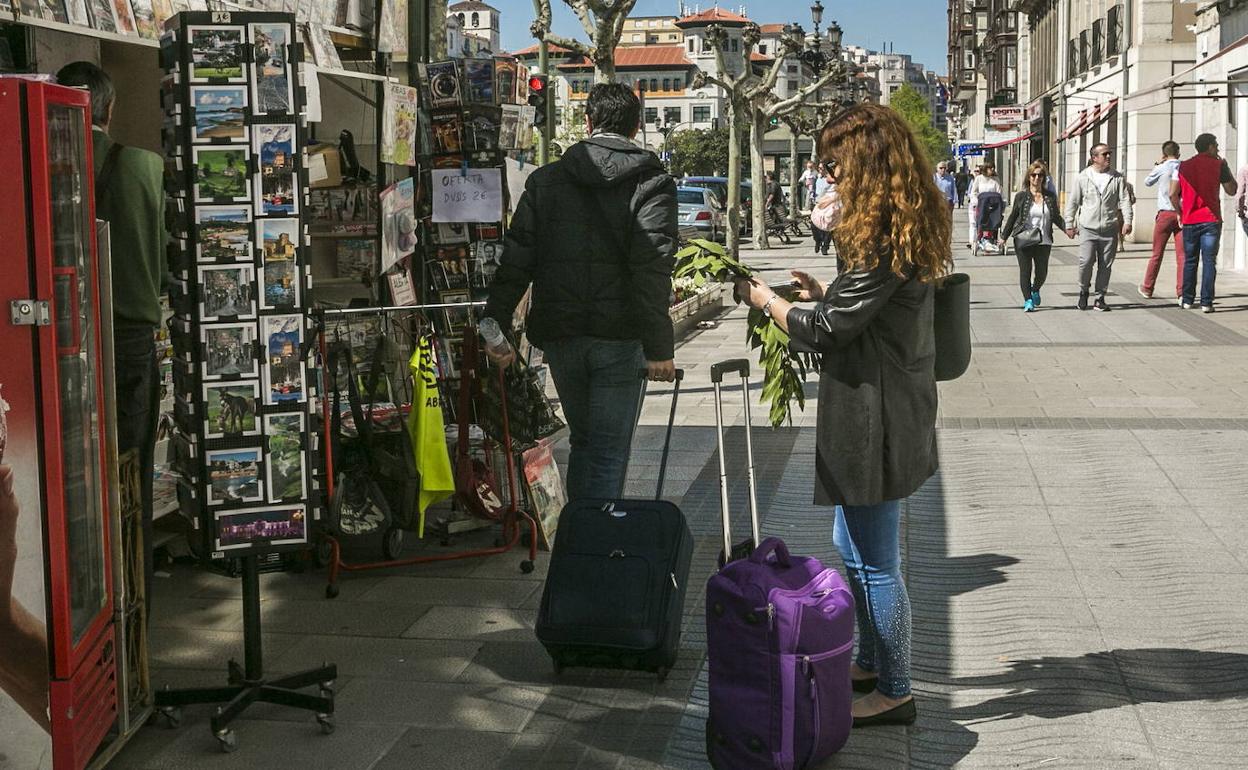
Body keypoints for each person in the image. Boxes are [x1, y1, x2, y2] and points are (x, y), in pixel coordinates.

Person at [734, 103, 951, 728]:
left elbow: (827, 333)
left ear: (864, 161)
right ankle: (870, 660)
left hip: (876, 410)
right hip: (882, 397)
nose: (828, 175)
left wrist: (767, 299)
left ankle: (899, 687)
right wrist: (828, 292)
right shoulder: (897, 222)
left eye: (834, 163)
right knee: (848, 543)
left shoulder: (883, 232)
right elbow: (864, 309)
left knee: (875, 559)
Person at [483, 83, 677, 501]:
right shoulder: (653, 183)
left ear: (587, 123)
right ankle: (597, 552)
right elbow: (652, 267)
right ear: (636, 127)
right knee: (608, 451)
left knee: (585, 443)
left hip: (562, 334)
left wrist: (495, 323)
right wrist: (660, 346)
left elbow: (517, 260)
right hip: (621, 336)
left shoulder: (546, 181)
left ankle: (579, 544)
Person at [56, 62, 167, 608]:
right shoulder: (147, 167)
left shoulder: (53, 167)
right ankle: (134, 593)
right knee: (131, 466)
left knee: (73, 464)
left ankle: (83, 590)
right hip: (132, 337)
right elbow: (163, 249)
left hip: (65, 339)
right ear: (110, 109)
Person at [1171, 133, 1238, 312]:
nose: (1217, 148)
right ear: (1209, 146)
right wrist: (1226, 167)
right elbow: (1232, 190)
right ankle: (1207, 303)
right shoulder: (1218, 165)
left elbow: (1172, 193)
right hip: (1211, 219)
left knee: (1190, 261)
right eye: (1216, 145)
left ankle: (1187, 299)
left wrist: (1180, 212)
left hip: (1190, 220)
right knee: (1209, 261)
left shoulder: (1183, 166)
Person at [1063, 143, 1133, 311]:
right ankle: (1083, 290)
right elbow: (1073, 202)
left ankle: (1100, 297)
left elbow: (1124, 200)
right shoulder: (1083, 177)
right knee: (1085, 262)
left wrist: (1128, 221)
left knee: (1105, 265)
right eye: (1104, 154)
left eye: (1109, 153)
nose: (1108, 156)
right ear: (1094, 158)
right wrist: (1069, 223)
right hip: (1088, 227)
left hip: (1109, 228)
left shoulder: (1117, 177)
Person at [1001, 161, 1064, 312]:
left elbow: (1056, 217)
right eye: (1034, 175)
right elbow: (1013, 217)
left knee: (1042, 272)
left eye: (1040, 175)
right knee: (1025, 270)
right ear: (1029, 177)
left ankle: (1035, 289)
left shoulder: (1049, 196)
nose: (1037, 178)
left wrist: (1067, 229)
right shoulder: (1021, 196)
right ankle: (1028, 300)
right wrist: (1004, 236)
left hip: (1044, 240)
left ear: (1044, 178)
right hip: (1023, 238)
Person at [1140, 141, 1185, 299]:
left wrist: (1158, 165)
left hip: (1165, 213)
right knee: (1182, 256)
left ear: (1164, 153)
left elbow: (1147, 182)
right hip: (1182, 213)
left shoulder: (1161, 167)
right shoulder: (1184, 166)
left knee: (1157, 254)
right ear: (1178, 152)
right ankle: (1182, 292)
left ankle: (1147, 287)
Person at [967, 163, 1002, 248]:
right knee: (980, 221)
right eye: (990, 168)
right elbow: (974, 192)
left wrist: (1002, 203)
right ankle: (978, 239)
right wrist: (975, 202)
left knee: (993, 220)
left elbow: (999, 192)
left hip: (993, 205)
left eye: (993, 168)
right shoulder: (979, 179)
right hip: (981, 204)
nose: (992, 170)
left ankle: (992, 238)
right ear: (985, 169)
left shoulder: (995, 179)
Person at [809, 161, 837, 256]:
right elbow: (814, 188)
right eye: (819, 168)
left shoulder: (832, 178)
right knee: (814, 225)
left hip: (829, 205)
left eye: (822, 168)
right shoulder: (817, 178)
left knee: (828, 228)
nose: (820, 170)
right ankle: (817, 240)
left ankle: (825, 246)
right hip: (818, 204)